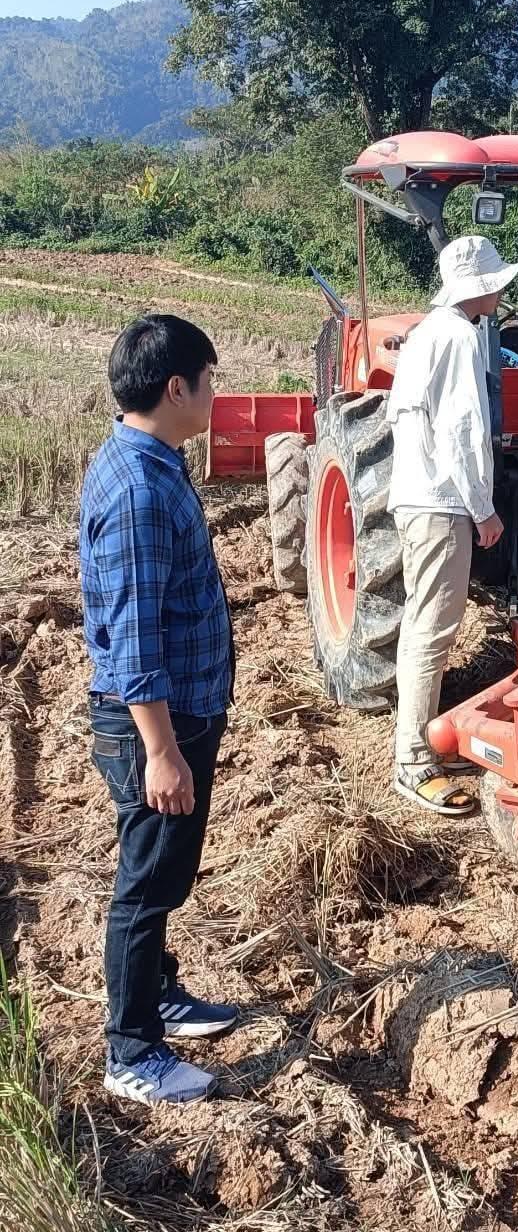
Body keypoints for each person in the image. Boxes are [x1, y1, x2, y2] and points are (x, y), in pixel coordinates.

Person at [80, 315, 237, 1106]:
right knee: (144, 888)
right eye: (210, 381)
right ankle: (132, 1051)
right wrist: (163, 752)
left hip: (171, 716)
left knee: (160, 872)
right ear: (177, 387)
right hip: (157, 724)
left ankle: (163, 995)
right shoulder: (141, 489)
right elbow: (136, 638)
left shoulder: (146, 457)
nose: (216, 395)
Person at [387, 235, 518, 813]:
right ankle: (414, 762)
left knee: (424, 622)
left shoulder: (424, 334)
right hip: (441, 502)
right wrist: (484, 509)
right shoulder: (463, 338)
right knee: (432, 630)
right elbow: (463, 432)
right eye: (495, 281)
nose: (500, 289)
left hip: (416, 496)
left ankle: (414, 745)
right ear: (481, 287)